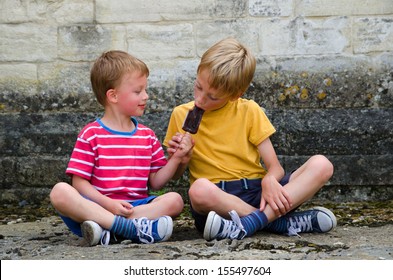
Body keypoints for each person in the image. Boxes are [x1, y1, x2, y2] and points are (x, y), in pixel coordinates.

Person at [164, 37, 336, 241]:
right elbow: (175, 177)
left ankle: (248, 224)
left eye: (213, 97)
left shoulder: (249, 110)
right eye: (198, 87)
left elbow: (275, 167)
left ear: (235, 95)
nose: (200, 99)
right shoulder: (180, 114)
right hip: (218, 202)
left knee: (322, 165)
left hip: (259, 193)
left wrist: (270, 180)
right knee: (198, 190)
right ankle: (277, 222)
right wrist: (181, 159)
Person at [50, 50, 193, 246]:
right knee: (60, 192)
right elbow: (79, 183)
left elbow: (156, 182)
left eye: (145, 90)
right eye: (138, 91)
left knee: (175, 200)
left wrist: (177, 158)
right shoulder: (91, 134)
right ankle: (129, 229)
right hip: (97, 207)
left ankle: (109, 231)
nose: (146, 96)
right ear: (113, 96)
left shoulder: (147, 135)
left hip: (134, 208)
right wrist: (107, 204)